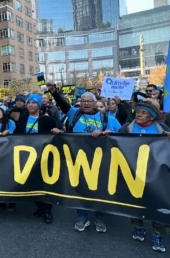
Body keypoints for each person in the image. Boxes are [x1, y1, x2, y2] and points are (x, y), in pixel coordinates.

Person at [46, 82, 121, 232]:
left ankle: (99, 217)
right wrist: (53, 92)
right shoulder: (75, 114)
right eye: (83, 101)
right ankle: (82, 216)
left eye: (89, 101)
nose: (86, 103)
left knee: (100, 189)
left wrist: (106, 133)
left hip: (101, 160)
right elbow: (63, 104)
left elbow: (122, 136)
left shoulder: (106, 118)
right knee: (80, 188)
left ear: (95, 103)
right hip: (78, 159)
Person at [118, 100, 170, 253]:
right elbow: (114, 142)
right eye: (138, 112)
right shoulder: (127, 128)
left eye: (144, 113)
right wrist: (107, 134)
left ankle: (157, 233)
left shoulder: (162, 129)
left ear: (152, 116)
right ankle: (138, 226)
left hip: (156, 174)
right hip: (133, 172)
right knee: (135, 201)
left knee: (158, 202)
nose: (139, 115)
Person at [14, 94, 59, 224]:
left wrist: (57, 131)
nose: (30, 105)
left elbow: (57, 134)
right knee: (31, 183)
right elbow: (16, 135)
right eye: (28, 103)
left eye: (33, 103)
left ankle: (47, 210)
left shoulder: (47, 120)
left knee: (44, 185)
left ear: (39, 105)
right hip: (27, 158)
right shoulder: (22, 119)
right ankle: (39, 207)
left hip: (43, 158)